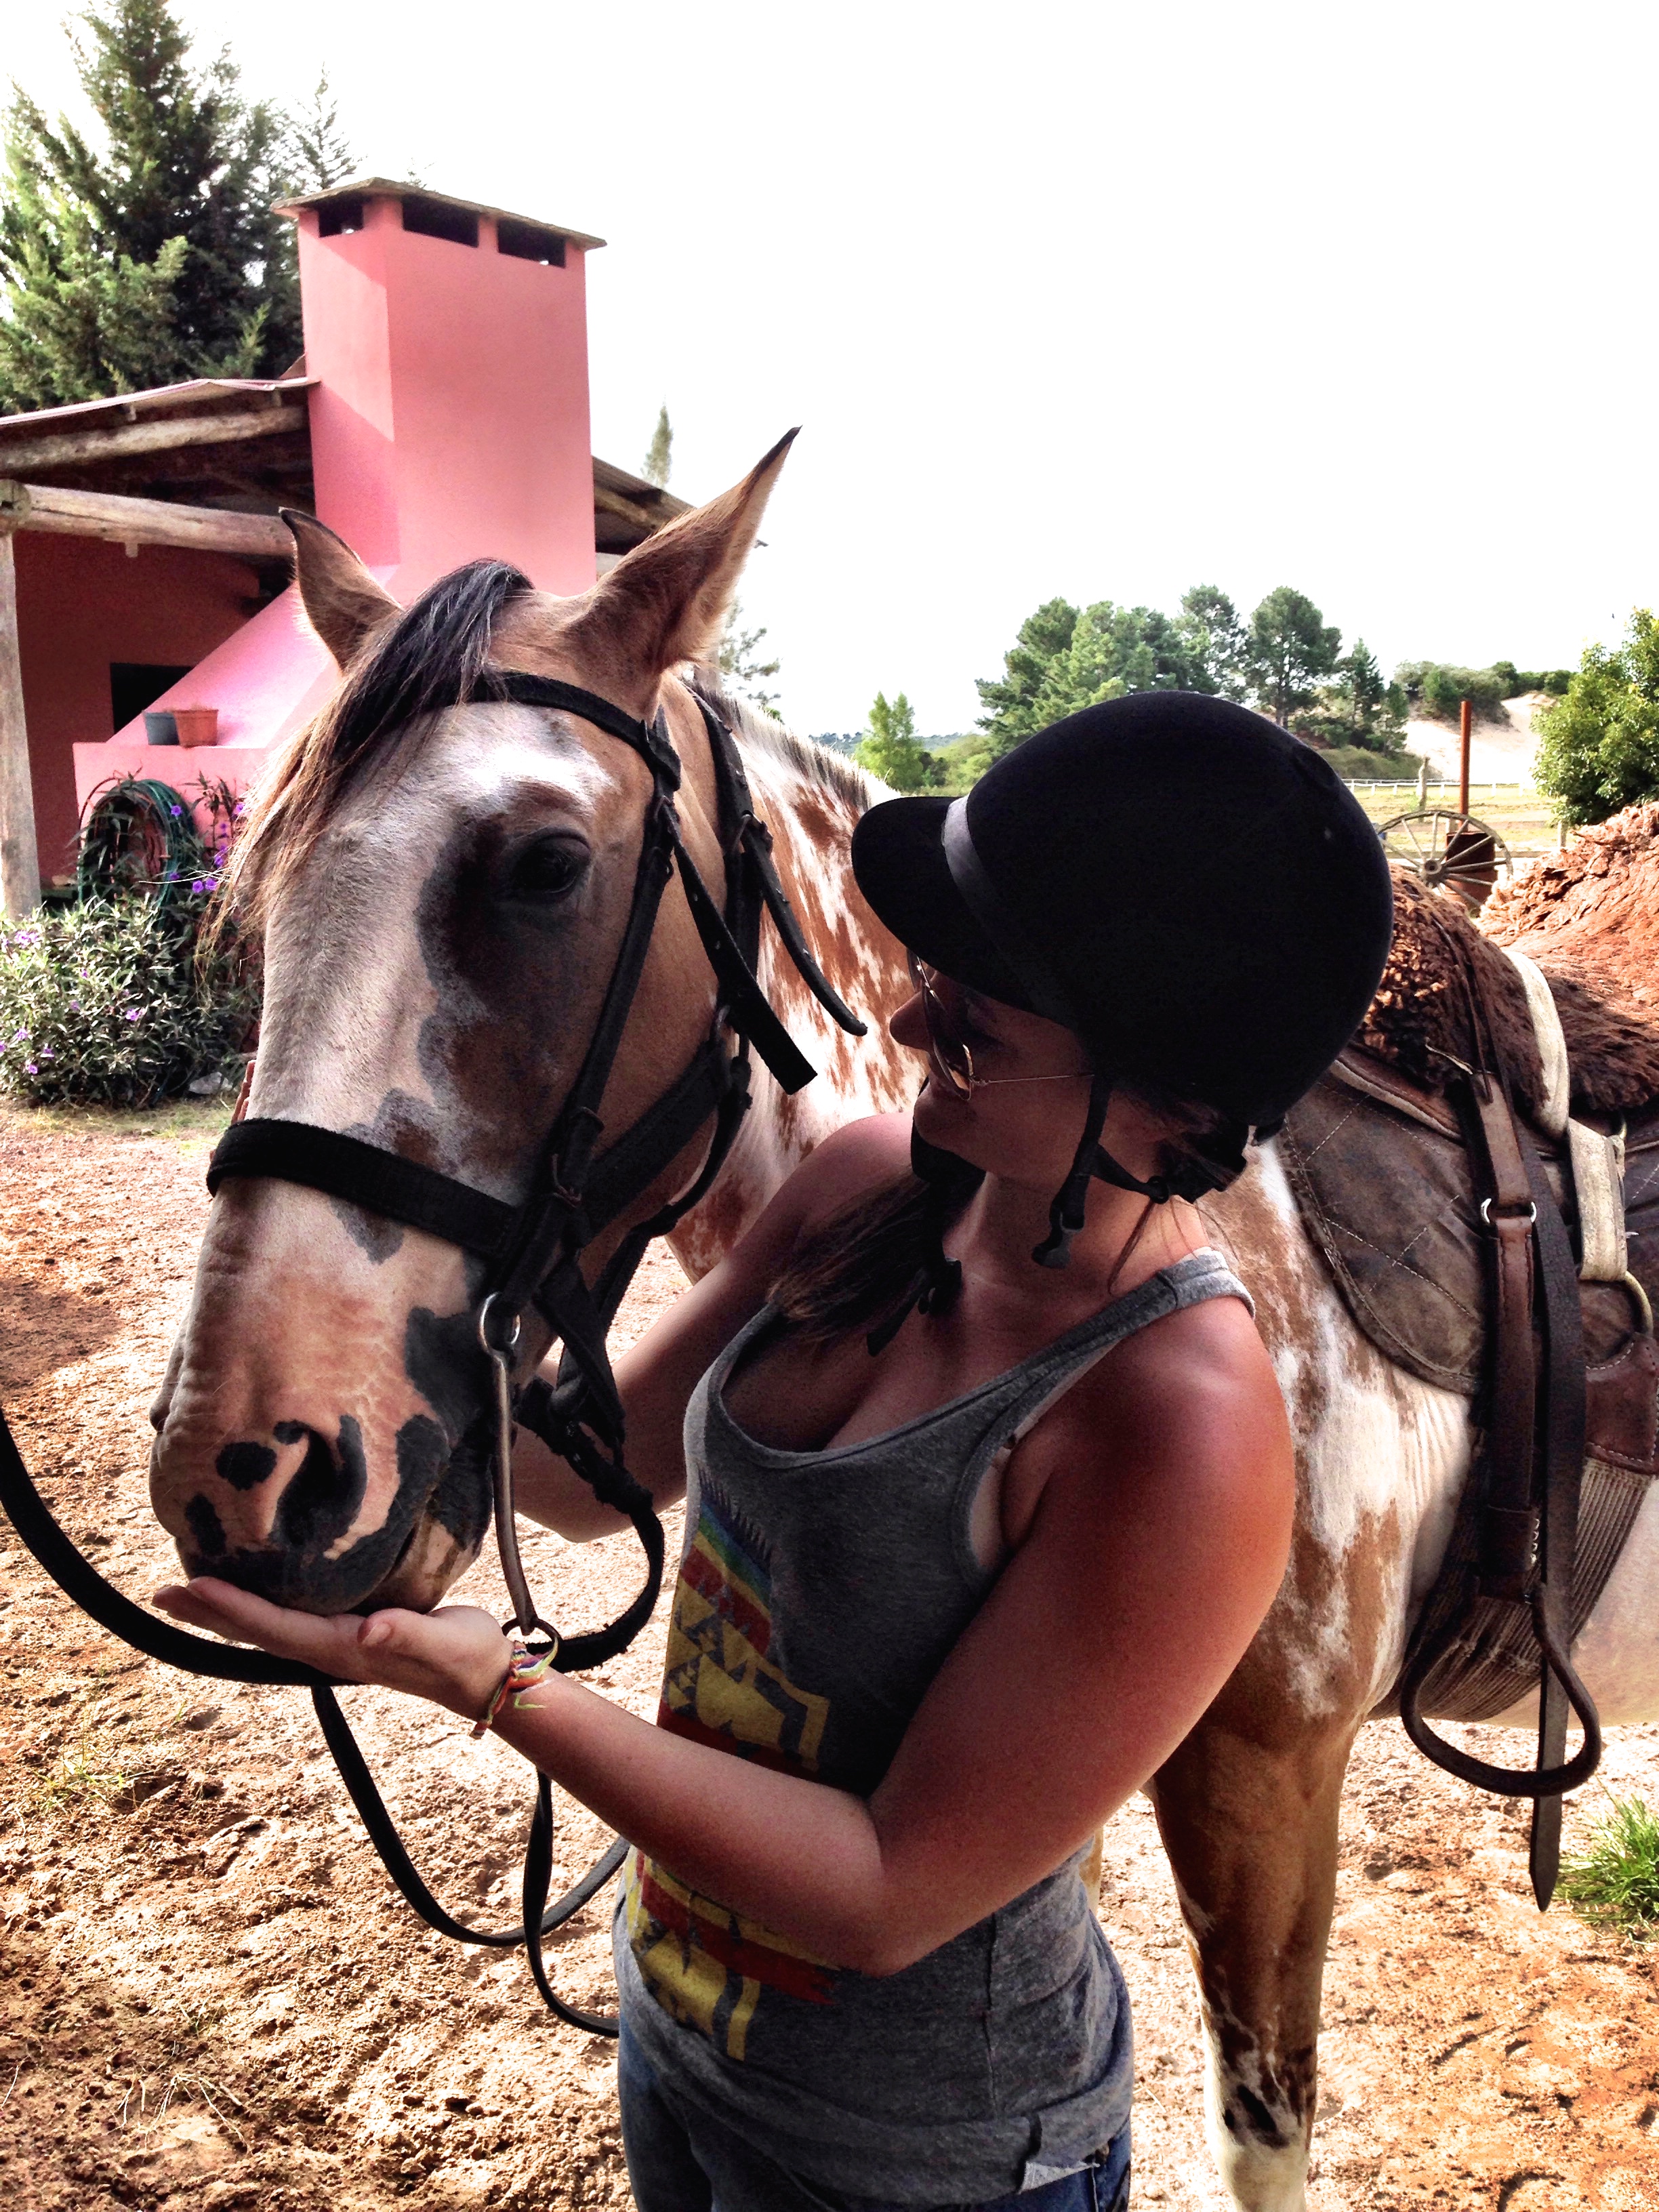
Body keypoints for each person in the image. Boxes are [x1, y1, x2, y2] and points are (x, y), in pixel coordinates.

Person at [157, 692, 1393, 2212]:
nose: (912, 1028)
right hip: (684, 2034)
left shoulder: (1178, 1422)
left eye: (980, 1029)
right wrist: (367, 1350)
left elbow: (887, 1892)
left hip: (928, 2164)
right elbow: (599, 1472)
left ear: (1173, 1106)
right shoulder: (871, 1183)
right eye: (936, 984)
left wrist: (491, 1684)